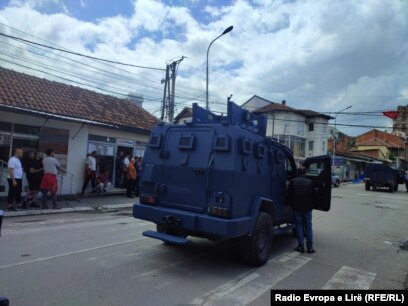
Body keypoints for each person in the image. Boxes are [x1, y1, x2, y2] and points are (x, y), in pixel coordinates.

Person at [288, 166, 316, 254]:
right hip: (307, 209)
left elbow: (289, 195)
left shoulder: (293, 182)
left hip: (297, 208)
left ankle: (300, 246)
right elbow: (314, 196)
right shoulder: (310, 182)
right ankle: (310, 247)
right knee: (308, 227)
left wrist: (291, 205)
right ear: (305, 173)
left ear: (298, 172)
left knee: (299, 227)